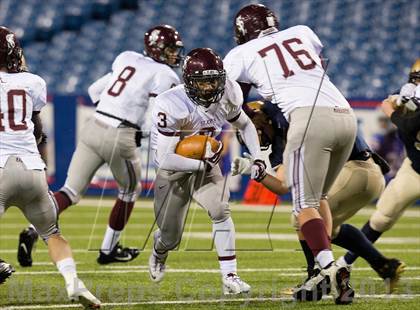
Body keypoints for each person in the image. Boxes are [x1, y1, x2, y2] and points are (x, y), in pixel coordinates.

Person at [17, 25, 184, 266]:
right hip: (120, 133)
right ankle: (108, 249)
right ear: (157, 48)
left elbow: (94, 90)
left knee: (70, 191)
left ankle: (33, 229)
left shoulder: (126, 57)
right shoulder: (166, 75)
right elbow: (156, 114)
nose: (174, 55)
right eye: (170, 49)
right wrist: (141, 133)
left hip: (94, 124)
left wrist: (113, 109)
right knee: (130, 191)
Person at [224, 4, 358, 304]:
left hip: (309, 119)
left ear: (242, 31)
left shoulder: (240, 54)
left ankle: (328, 268)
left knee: (303, 206)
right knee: (319, 197)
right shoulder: (301, 32)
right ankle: (324, 270)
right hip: (346, 116)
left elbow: (235, 101)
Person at [233, 100, 405, 297]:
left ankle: (318, 277)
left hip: (355, 171)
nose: (254, 140)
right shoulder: (285, 127)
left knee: (303, 214)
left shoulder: (288, 120)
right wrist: (255, 171)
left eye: (253, 132)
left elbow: (282, 185)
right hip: (367, 173)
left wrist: (257, 172)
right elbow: (283, 182)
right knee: (329, 229)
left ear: (262, 121)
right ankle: (384, 265)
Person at [0, 26, 100, 308]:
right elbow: (38, 129)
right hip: (32, 170)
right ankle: (74, 283)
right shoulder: (33, 82)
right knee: (53, 235)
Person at [148, 48, 261, 295]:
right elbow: (164, 159)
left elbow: (245, 124)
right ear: (188, 82)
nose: (210, 88)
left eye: (213, 80)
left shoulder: (229, 92)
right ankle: (160, 251)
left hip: (206, 164)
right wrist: (203, 161)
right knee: (171, 237)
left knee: (220, 210)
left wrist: (257, 156)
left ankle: (230, 276)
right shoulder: (171, 103)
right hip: (175, 169)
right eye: (203, 82)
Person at [343, 60, 420, 287]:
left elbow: (408, 126)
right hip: (414, 169)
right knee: (382, 216)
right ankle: (344, 265)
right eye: (415, 79)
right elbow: (394, 104)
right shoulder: (410, 96)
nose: (417, 84)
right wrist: (398, 103)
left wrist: (393, 113)